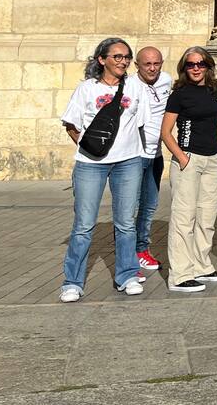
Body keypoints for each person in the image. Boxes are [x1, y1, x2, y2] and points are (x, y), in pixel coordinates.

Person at [58, 37, 150, 302]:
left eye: (126, 57)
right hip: (90, 165)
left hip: (129, 162)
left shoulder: (135, 87)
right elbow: (71, 125)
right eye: (117, 57)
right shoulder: (86, 89)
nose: (123, 62)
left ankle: (127, 275)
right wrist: (92, 149)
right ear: (102, 60)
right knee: (84, 225)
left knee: (125, 224)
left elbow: (140, 124)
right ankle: (72, 282)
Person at [161, 47, 217, 292]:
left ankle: (202, 266)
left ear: (208, 66)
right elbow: (166, 132)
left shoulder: (216, 90)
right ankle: (180, 275)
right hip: (189, 160)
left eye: (200, 64)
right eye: (190, 64)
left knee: (207, 217)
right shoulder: (180, 94)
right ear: (184, 68)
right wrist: (182, 158)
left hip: (212, 160)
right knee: (184, 218)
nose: (196, 68)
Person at [133, 47, 171, 273]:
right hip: (133, 156)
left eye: (156, 63)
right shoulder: (128, 85)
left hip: (155, 154)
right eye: (147, 64)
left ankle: (141, 251)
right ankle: (127, 258)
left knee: (149, 206)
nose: (152, 68)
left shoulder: (166, 80)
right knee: (128, 209)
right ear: (137, 65)